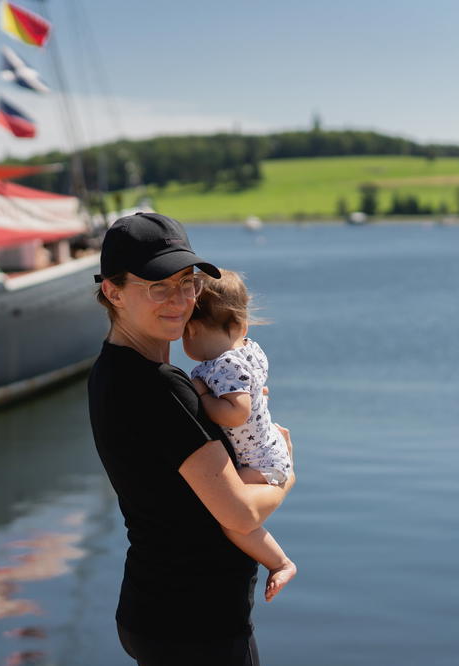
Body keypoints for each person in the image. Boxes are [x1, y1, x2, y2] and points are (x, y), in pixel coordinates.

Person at [88, 212, 296, 666]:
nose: (180, 300)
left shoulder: (109, 370)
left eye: (188, 282)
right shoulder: (162, 388)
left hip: (158, 610)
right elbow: (240, 513)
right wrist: (287, 475)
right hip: (196, 626)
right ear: (114, 292)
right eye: (157, 286)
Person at [182, 269, 296, 603]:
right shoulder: (247, 351)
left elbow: (237, 412)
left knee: (232, 518)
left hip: (262, 461)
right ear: (241, 326)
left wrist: (202, 398)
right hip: (267, 450)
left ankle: (281, 562)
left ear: (192, 329)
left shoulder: (223, 364)